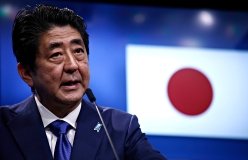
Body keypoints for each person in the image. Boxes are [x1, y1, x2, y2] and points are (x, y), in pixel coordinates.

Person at [0, 4, 167, 160]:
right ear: (27, 73)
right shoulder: (4, 127)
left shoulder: (121, 128)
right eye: (56, 54)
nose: (73, 65)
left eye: (79, 51)